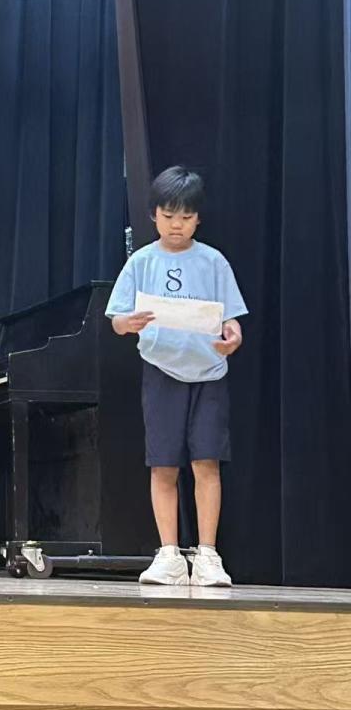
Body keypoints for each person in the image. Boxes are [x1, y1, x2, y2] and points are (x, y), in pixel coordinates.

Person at [107, 166, 246, 586]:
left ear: (198, 219)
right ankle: (168, 554)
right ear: (154, 215)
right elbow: (116, 319)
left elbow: (232, 320)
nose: (176, 225)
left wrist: (233, 337)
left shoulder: (214, 261)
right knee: (163, 464)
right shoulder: (141, 262)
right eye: (168, 216)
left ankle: (207, 555)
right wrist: (127, 323)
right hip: (162, 370)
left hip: (208, 374)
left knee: (206, 462)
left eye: (185, 217)